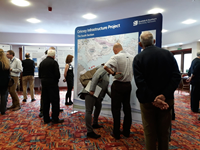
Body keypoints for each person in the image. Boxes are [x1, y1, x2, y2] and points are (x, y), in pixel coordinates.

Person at [133, 31, 181, 150]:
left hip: (147, 102)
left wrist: (153, 98)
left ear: (140, 44)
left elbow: (140, 82)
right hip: (166, 101)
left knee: (149, 133)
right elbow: (176, 76)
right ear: (154, 41)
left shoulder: (138, 58)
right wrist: (163, 96)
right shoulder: (168, 54)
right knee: (164, 133)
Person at [104, 43, 133, 139]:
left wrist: (113, 73)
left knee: (116, 110)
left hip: (117, 86)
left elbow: (105, 66)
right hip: (128, 85)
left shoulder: (116, 56)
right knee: (127, 108)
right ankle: (126, 132)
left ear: (115, 50)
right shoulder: (132, 57)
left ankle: (116, 133)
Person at [80, 64, 111, 139]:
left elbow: (105, 87)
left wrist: (112, 96)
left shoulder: (107, 74)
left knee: (98, 106)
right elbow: (95, 77)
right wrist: (92, 90)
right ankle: (89, 131)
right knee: (89, 111)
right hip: (90, 92)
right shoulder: (103, 69)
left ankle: (95, 123)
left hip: (96, 94)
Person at [39, 49, 64, 124]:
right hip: (53, 85)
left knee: (45, 101)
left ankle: (46, 119)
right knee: (55, 102)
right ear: (54, 55)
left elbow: (40, 75)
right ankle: (55, 119)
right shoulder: (54, 62)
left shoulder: (42, 63)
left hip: (44, 85)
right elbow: (58, 75)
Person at [0, 49, 10, 115]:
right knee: (4, 96)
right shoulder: (6, 62)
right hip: (4, 81)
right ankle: (3, 110)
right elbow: (8, 73)